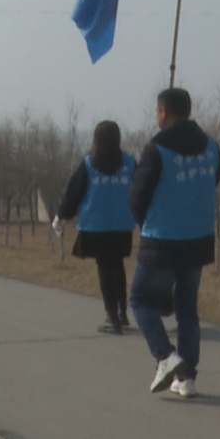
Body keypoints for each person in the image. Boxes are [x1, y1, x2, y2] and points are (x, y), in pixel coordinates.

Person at [127, 87, 220, 399]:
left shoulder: (156, 149)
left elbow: (137, 197)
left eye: (157, 111)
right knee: (187, 310)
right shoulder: (211, 147)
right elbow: (213, 179)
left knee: (140, 300)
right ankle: (187, 377)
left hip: (162, 240)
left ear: (163, 112)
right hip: (198, 239)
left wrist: (147, 222)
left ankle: (165, 356)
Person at [54, 121, 137, 334]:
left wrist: (61, 215)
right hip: (122, 225)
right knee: (117, 265)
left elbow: (73, 194)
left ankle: (112, 316)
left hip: (96, 225)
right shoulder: (130, 163)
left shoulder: (89, 164)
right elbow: (142, 190)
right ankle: (122, 312)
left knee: (105, 269)